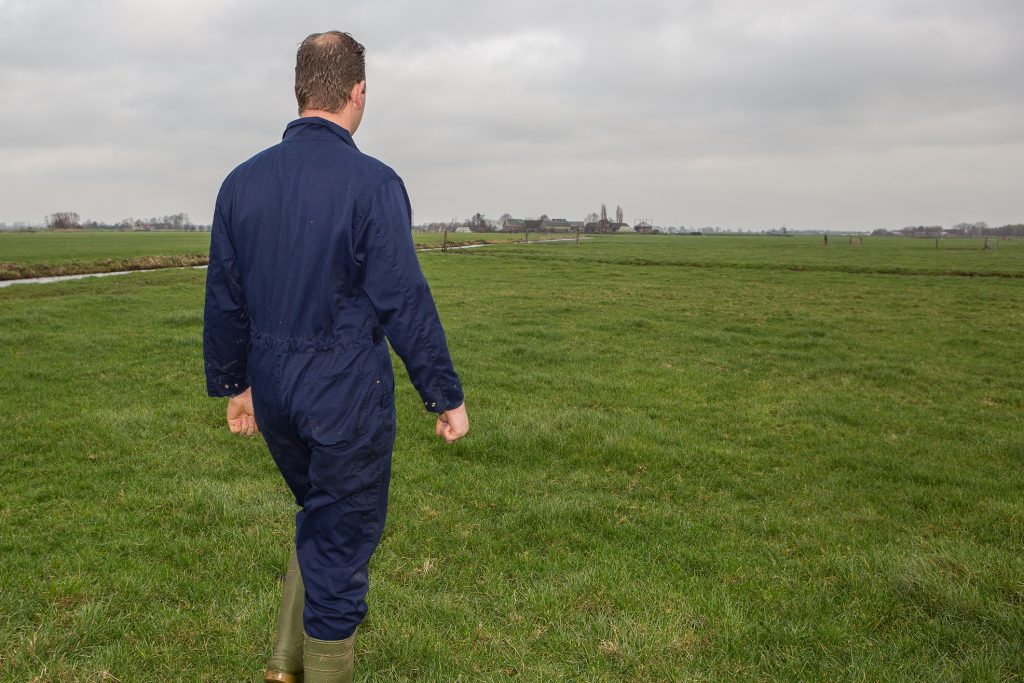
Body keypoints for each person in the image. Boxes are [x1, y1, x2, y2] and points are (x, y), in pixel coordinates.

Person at [203, 30, 469, 683]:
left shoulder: (240, 183)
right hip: (343, 396)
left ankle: (284, 660)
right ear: (359, 93)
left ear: (300, 91)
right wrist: (446, 395)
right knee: (344, 545)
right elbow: (402, 299)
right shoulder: (373, 184)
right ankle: (320, 657)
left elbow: (224, 298)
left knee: (320, 514)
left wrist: (237, 384)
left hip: (277, 395)